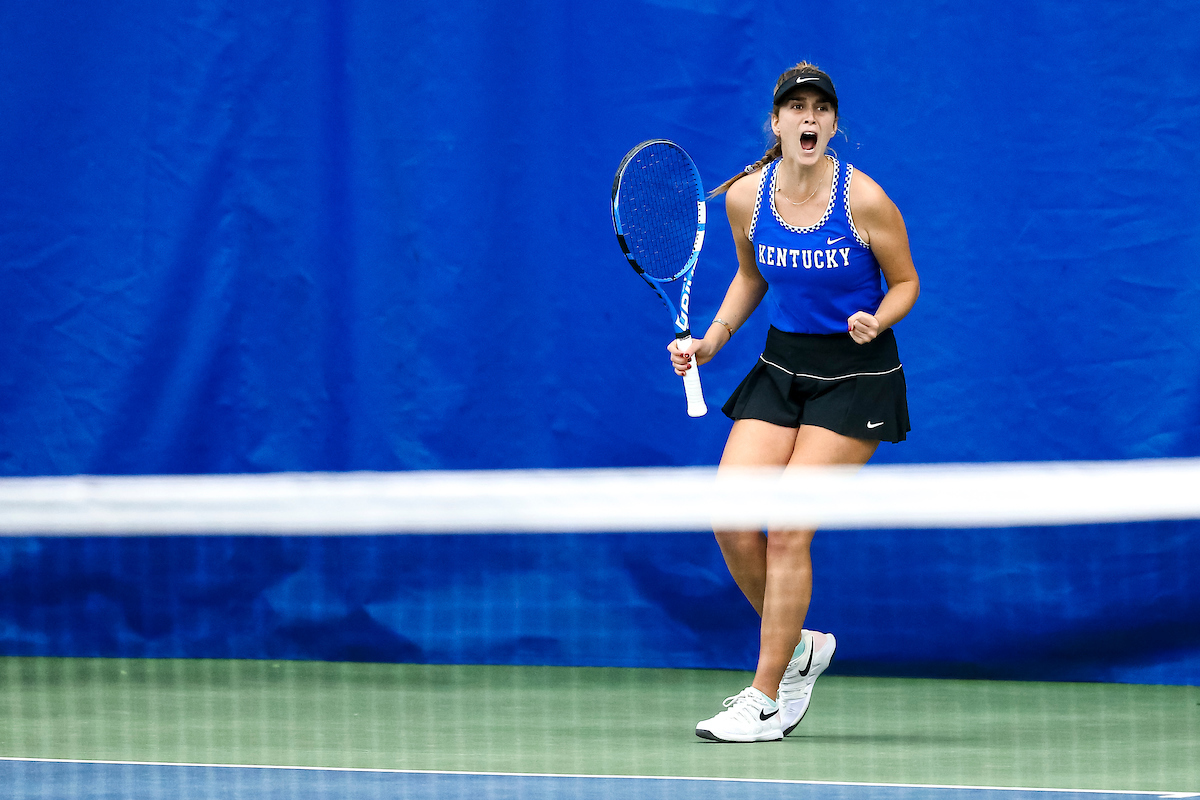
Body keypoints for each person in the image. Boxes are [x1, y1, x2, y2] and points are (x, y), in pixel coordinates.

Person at [670, 62, 920, 742]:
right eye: (795, 108)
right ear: (775, 123)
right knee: (730, 516)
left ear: (833, 124)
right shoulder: (745, 200)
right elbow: (751, 278)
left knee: (786, 529)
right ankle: (802, 646)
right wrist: (714, 340)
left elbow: (906, 282)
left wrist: (881, 317)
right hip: (783, 364)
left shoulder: (864, 200)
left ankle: (766, 697)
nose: (808, 118)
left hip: (858, 374)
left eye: (821, 108)